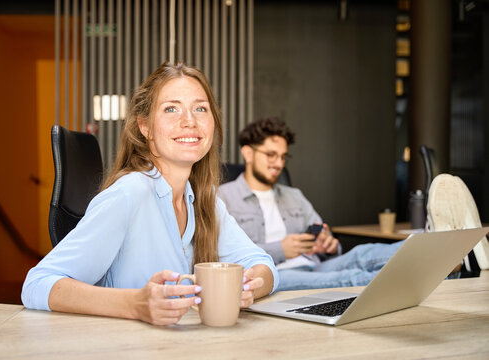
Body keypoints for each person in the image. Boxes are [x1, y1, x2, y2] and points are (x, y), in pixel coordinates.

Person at [22, 63, 278, 325]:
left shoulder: (205, 200)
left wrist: (246, 288)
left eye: (200, 108)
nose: (189, 121)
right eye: (171, 109)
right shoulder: (129, 193)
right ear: (145, 127)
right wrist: (135, 304)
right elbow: (37, 285)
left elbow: (263, 265)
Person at [218, 118, 404, 291]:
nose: (279, 163)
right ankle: (408, 282)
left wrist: (329, 245)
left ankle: (425, 241)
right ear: (248, 153)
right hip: (275, 275)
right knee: (351, 278)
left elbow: (327, 239)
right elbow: (221, 254)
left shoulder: (294, 196)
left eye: (283, 157)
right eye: (271, 155)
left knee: (364, 253)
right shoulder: (221, 197)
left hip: (315, 265)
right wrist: (281, 249)